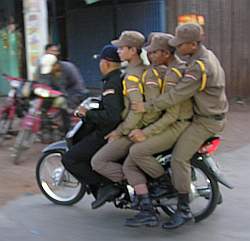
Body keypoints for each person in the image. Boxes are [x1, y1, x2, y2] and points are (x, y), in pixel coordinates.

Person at [132, 23, 229, 229]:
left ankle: (183, 209)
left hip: (205, 121)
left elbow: (176, 96)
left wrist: (146, 106)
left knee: (179, 158)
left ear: (193, 44)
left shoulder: (198, 66)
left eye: (180, 45)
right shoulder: (204, 56)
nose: (177, 48)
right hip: (212, 114)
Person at [123, 33, 193, 227]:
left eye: (153, 52)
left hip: (178, 123)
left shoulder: (172, 74)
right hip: (177, 120)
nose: (150, 56)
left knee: (137, 150)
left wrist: (145, 132)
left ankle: (165, 184)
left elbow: (171, 115)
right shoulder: (171, 69)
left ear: (165, 53)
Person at [91, 31, 165, 209]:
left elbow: (136, 110)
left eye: (121, 48)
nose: (117, 51)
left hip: (134, 128)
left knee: (98, 161)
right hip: (145, 124)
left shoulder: (132, 76)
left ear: (133, 51)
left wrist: (119, 131)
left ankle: (138, 190)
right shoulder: (143, 70)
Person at [62, 44, 124, 198]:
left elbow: (112, 116)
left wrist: (88, 114)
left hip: (108, 132)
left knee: (70, 159)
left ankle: (104, 185)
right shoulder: (119, 77)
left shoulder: (112, 83)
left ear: (106, 63)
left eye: (100, 62)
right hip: (116, 128)